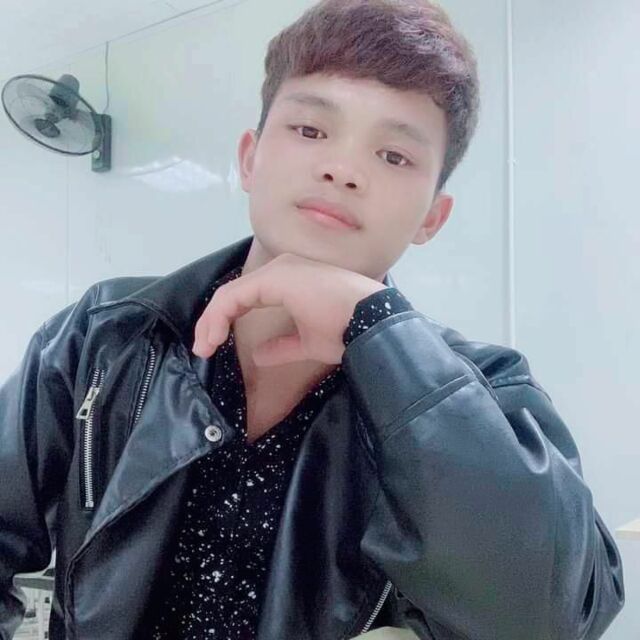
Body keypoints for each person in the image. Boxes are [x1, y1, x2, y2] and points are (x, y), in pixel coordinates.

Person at [0, 0, 625, 638]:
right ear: (249, 159)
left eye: (393, 156)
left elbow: (550, 616)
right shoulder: (104, 335)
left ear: (432, 217)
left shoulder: (485, 389)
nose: (342, 169)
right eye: (310, 130)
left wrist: (378, 332)